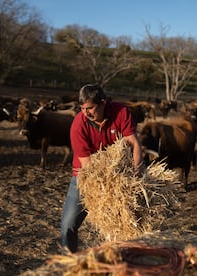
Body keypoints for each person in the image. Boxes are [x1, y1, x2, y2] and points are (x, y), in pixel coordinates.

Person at [60, 84, 144, 253]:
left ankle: (126, 259)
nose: (86, 113)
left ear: (103, 103)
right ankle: (69, 261)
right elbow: (88, 166)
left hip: (121, 174)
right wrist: (108, 194)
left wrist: (136, 176)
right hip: (85, 176)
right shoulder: (78, 124)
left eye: (90, 108)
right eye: (82, 108)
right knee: (68, 224)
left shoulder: (121, 112)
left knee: (128, 224)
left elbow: (134, 144)